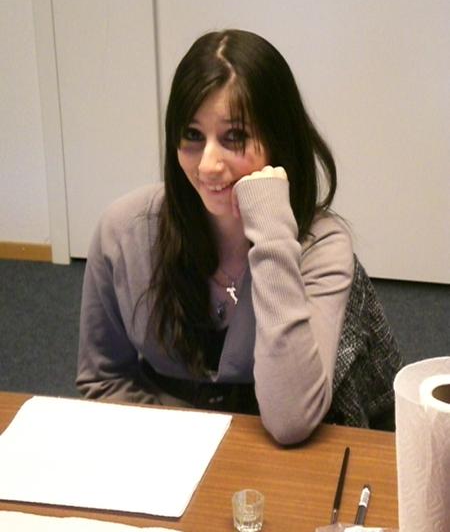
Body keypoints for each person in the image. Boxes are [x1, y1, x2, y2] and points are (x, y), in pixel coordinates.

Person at [76, 29, 393, 445]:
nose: (208, 165)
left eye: (235, 137)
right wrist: (180, 446)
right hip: (158, 449)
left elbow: (291, 419)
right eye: (193, 135)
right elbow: (103, 379)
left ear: (278, 141)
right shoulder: (123, 231)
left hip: (273, 453)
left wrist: (274, 238)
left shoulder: (321, 246)